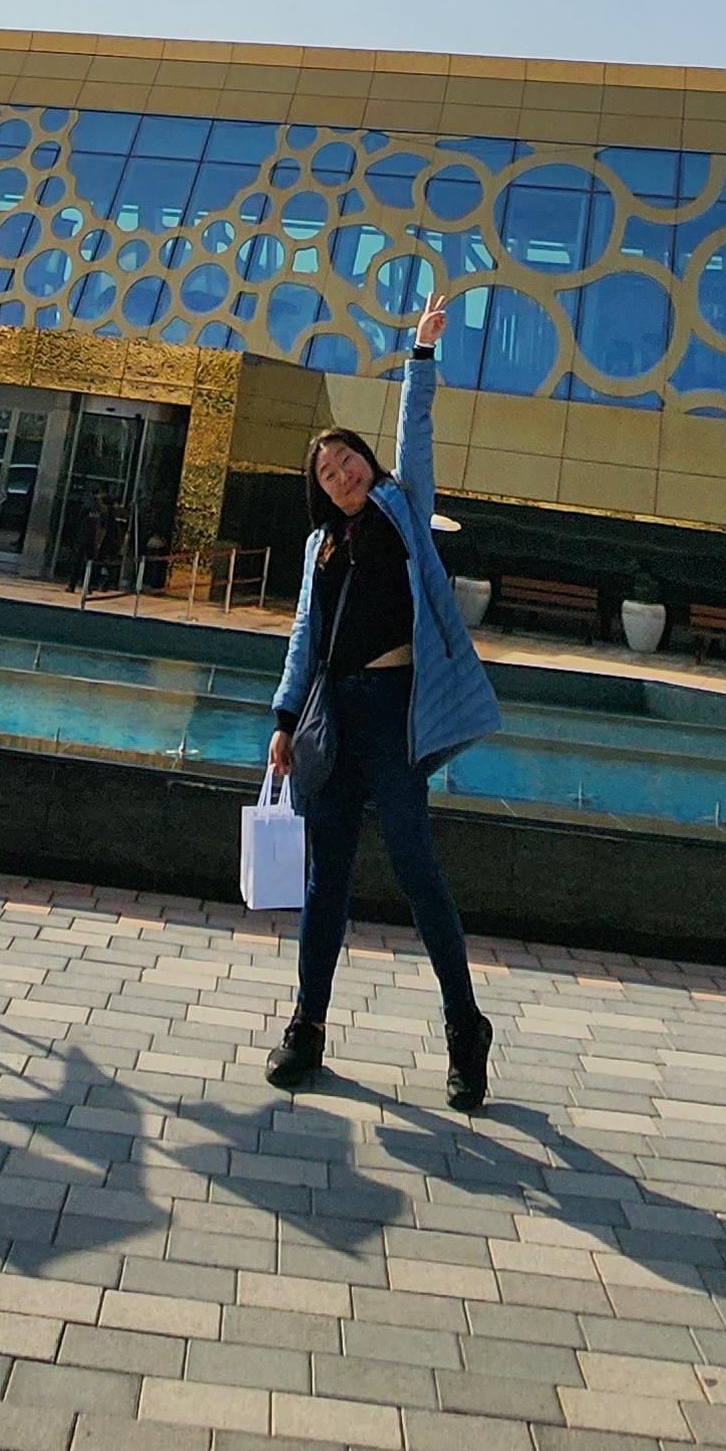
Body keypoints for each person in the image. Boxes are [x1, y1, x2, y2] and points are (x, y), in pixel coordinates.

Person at [264, 298, 502, 1109]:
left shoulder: (403, 507)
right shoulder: (319, 546)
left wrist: (420, 356)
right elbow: (304, 636)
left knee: (416, 869)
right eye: (329, 473)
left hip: (396, 712)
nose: (344, 475)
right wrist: (284, 719)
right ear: (322, 492)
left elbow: (417, 433)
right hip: (333, 721)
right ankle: (307, 1025)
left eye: (349, 461)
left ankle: (465, 1029)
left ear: (368, 462)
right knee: (326, 878)